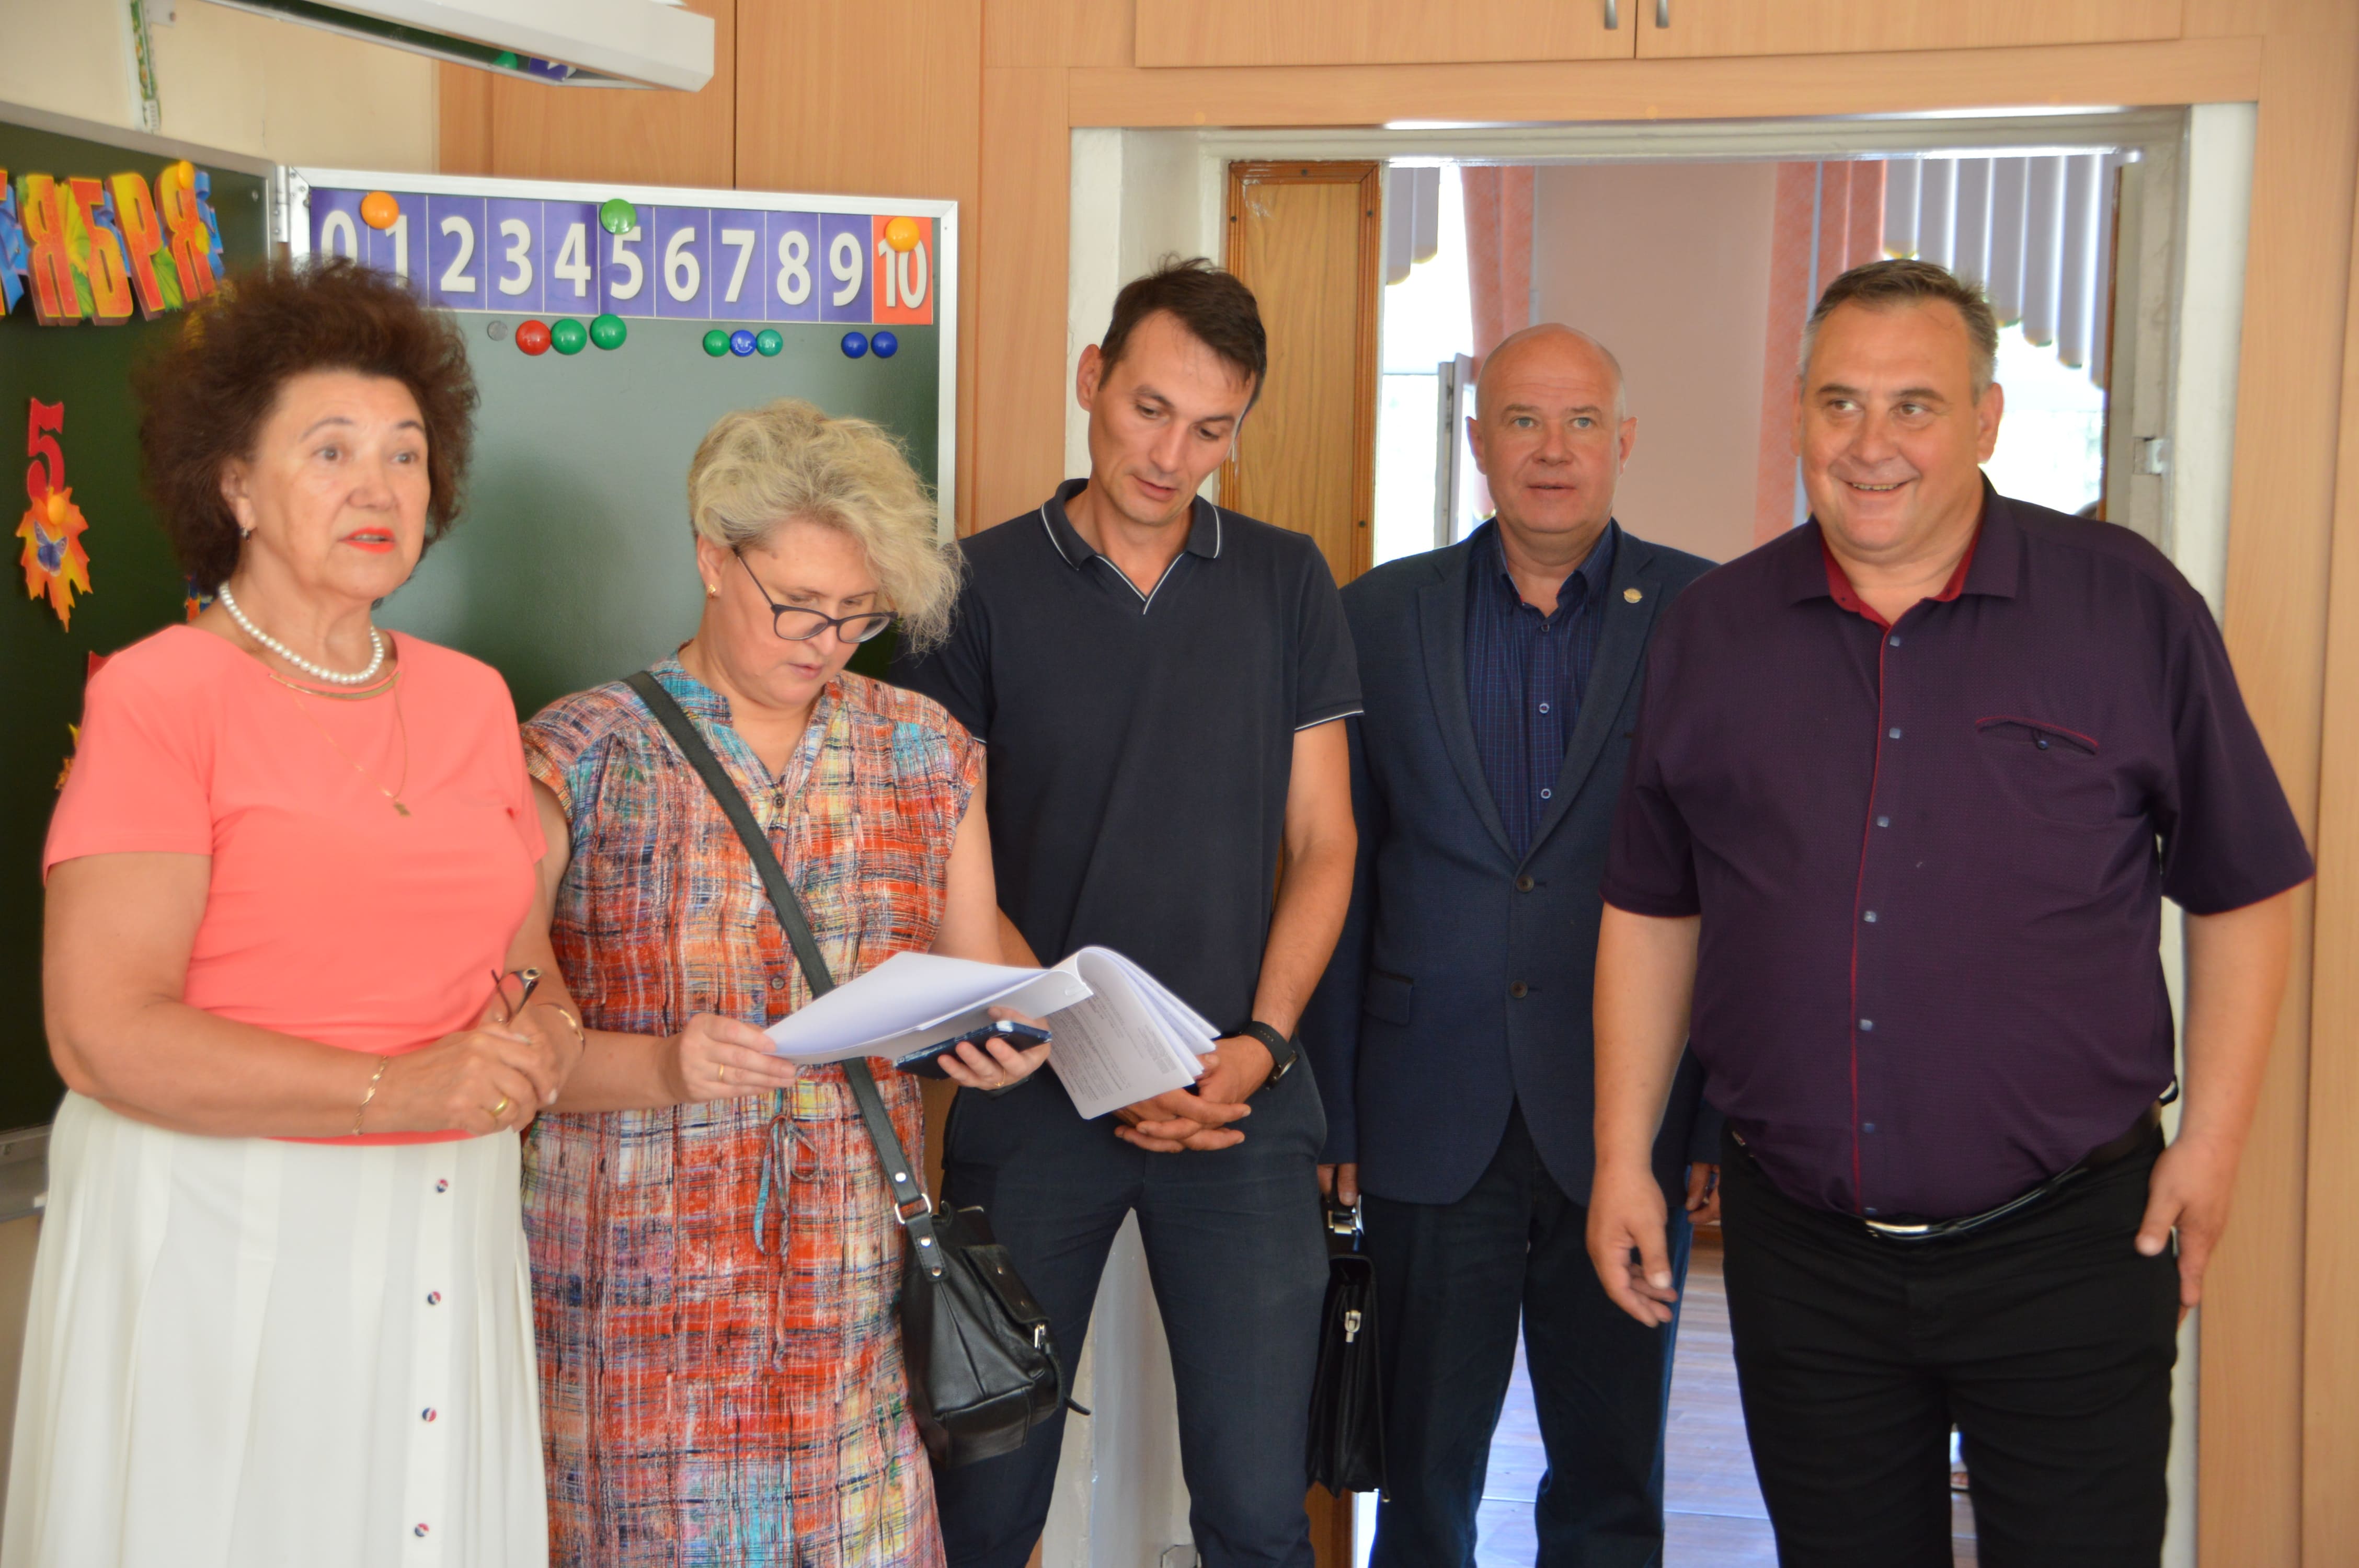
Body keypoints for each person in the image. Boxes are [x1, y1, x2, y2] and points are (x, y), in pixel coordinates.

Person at [1587, 259, 2312, 1567]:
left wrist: (2210, 1145)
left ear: (1985, 419)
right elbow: (1652, 907)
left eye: (1913, 406)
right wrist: (1620, 1155)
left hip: (2070, 1245)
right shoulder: (1711, 630)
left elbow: (2244, 884)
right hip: (1802, 1255)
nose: (1871, 445)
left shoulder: (2128, 605)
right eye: (1840, 403)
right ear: (1798, 414)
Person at [9, 257, 575, 1566]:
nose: (380, 487)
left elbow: (522, 961)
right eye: (331, 452)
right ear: (236, 487)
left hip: (446, 1210)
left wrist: (544, 1036)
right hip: (221, 1221)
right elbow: (100, 1032)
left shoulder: (473, 698)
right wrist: (391, 1089)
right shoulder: (163, 695)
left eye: (405, 453)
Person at [519, 398, 1047, 1567]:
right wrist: (665, 1067)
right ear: (713, 556)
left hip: (849, 1307)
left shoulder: (924, 752)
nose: (826, 641)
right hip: (635, 1320)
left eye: (859, 615)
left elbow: (977, 982)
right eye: (798, 605)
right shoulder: (578, 757)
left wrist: (1001, 1044)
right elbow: (509, 1042)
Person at [894, 259, 1360, 1568]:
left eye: (1212, 429)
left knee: (1259, 1512)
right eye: (1151, 410)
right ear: (1091, 380)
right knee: (988, 1506)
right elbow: (943, 867)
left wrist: (1261, 1043)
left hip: (1239, 1103)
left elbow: (1326, 841)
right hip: (1033, 1094)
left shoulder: (1286, 580)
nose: (1171, 456)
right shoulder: (964, 591)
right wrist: (1103, 1061)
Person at [1300, 322, 1718, 1568]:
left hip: (1627, 1117)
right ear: (1478, 440)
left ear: (1623, 440)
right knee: (1423, 1482)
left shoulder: (1707, 617)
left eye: (1582, 422)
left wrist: (1709, 1121)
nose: (1554, 450)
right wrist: (1338, 1114)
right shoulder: (1378, 616)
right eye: (1524, 421)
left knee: (1611, 1478)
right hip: (1428, 1113)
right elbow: (1338, 873)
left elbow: (1735, 884)